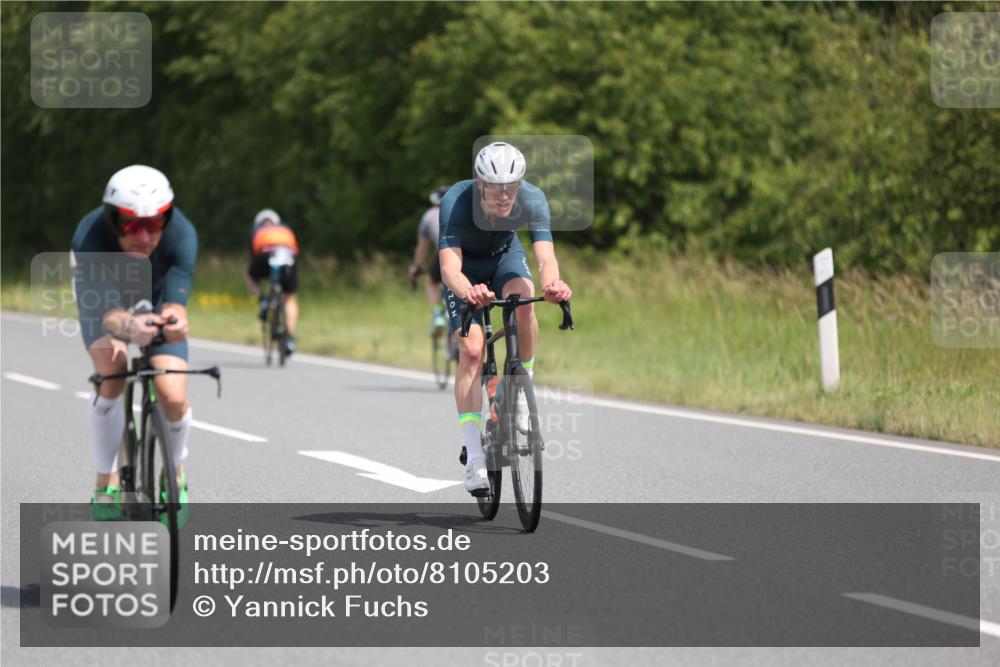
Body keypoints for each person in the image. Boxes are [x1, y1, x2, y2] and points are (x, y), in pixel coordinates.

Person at [438, 142, 572, 493]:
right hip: (465, 269)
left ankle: (522, 387)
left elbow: (546, 258)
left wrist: (553, 284)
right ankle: (475, 458)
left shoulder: (533, 198)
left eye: (511, 187)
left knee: (525, 303)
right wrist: (469, 291)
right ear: (480, 184)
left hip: (504, 258)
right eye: (496, 188)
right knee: (471, 351)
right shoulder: (456, 201)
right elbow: (449, 268)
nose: (504, 196)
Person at [71, 165, 197, 517]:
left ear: (167, 218)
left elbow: (175, 305)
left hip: (154, 299)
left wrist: (175, 323)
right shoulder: (90, 237)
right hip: (106, 300)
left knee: (173, 394)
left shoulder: (182, 234)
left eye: (154, 223)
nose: (144, 235)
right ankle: (105, 482)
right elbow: (110, 315)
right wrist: (130, 326)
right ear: (112, 220)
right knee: (112, 371)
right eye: (131, 224)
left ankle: (175, 472)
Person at [245, 208, 300, 356]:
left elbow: (254, 254)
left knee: (250, 276)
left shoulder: (257, 230)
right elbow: (296, 248)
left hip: (265, 254)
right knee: (290, 298)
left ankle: (263, 301)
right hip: (288, 255)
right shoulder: (285, 229)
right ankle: (290, 339)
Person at [409, 185, 450, 332]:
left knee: (431, 281)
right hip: (467, 252)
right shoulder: (460, 210)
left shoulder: (429, 215)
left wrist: (417, 266)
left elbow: (422, 248)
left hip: (446, 253)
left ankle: (438, 314)